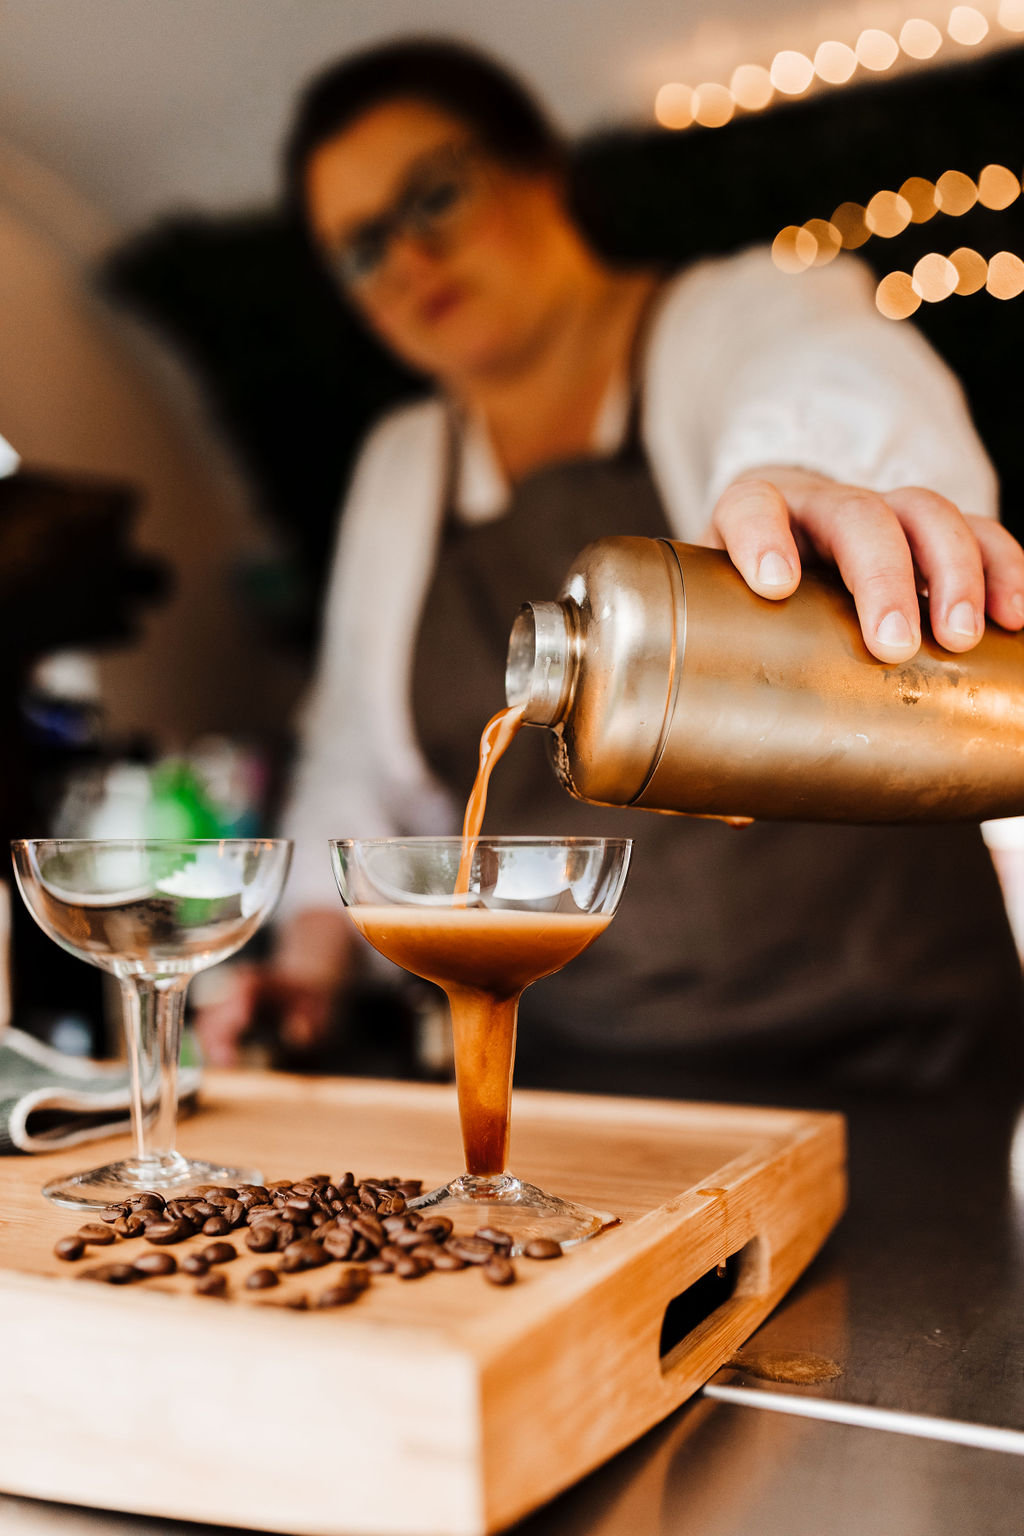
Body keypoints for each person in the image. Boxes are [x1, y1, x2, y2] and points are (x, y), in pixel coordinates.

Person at [198, 38, 1024, 1095]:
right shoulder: (404, 467)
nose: (405, 258)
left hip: (901, 1072)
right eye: (360, 247)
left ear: (539, 167)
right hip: (581, 1090)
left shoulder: (744, 311)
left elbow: (821, 389)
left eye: (433, 194)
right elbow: (354, 758)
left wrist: (800, 492)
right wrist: (303, 970)